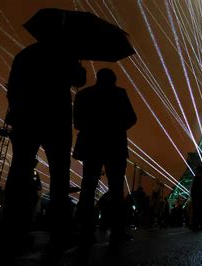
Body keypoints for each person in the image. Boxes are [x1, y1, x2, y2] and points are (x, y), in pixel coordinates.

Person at [0, 39, 86, 262]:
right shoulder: (66, 54)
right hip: (56, 121)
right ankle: (58, 234)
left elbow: (13, 86)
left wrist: (19, 110)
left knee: (18, 172)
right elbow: (79, 80)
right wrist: (77, 60)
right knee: (59, 177)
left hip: (26, 118)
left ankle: (9, 232)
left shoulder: (25, 54)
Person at [73, 68, 137, 248]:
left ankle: (86, 231)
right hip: (114, 145)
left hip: (91, 145)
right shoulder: (119, 94)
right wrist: (116, 127)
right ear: (113, 80)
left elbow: (77, 123)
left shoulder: (84, 95)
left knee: (88, 187)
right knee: (116, 189)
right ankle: (117, 231)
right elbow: (132, 118)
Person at [190, 166, 202, 230]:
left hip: (197, 196)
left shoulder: (197, 177)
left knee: (196, 211)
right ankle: (201, 224)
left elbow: (194, 187)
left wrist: (193, 194)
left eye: (196, 170)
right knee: (201, 211)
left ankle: (195, 224)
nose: (195, 171)